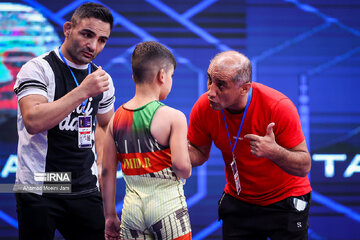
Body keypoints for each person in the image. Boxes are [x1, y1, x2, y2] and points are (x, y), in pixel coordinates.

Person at [13, 3, 114, 240]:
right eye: (87, 34)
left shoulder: (102, 79)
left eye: (102, 40)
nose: (93, 45)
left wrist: (101, 167)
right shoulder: (37, 69)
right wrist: (82, 91)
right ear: (68, 28)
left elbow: (104, 125)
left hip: (84, 187)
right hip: (39, 188)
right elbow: (33, 120)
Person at [187, 50, 312, 240]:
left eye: (221, 85)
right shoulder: (205, 106)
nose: (211, 92)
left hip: (285, 200)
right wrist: (166, 151)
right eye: (210, 80)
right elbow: (198, 153)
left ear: (244, 88)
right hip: (240, 200)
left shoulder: (278, 107)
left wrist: (274, 152)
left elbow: (304, 166)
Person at [101, 41, 192, 240]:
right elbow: (182, 167)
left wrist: (109, 216)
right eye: (171, 76)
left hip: (132, 211)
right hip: (167, 208)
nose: (170, 81)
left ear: (134, 76)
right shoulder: (173, 116)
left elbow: (106, 171)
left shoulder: (114, 119)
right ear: (162, 75)